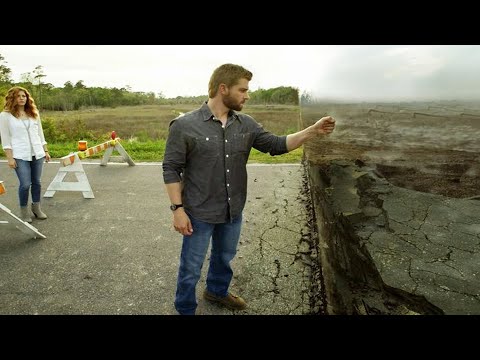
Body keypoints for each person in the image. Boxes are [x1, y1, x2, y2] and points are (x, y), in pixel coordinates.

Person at [162, 63, 335, 315]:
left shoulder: (246, 124)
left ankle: (217, 291)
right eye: (242, 90)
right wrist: (177, 209)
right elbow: (171, 168)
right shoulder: (184, 125)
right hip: (198, 212)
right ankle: (185, 308)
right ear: (223, 89)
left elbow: (276, 145)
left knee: (224, 257)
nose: (247, 95)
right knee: (191, 266)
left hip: (233, 210)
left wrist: (312, 130)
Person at [0, 86, 51, 223]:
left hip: (37, 153)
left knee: (37, 183)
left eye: (24, 96)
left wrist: (45, 150)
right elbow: (5, 139)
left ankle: (36, 207)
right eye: (18, 96)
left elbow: (40, 134)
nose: (22, 98)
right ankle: (24, 211)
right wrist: (10, 158)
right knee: (25, 184)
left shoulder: (33, 113)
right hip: (19, 155)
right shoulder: (5, 116)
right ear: (12, 98)